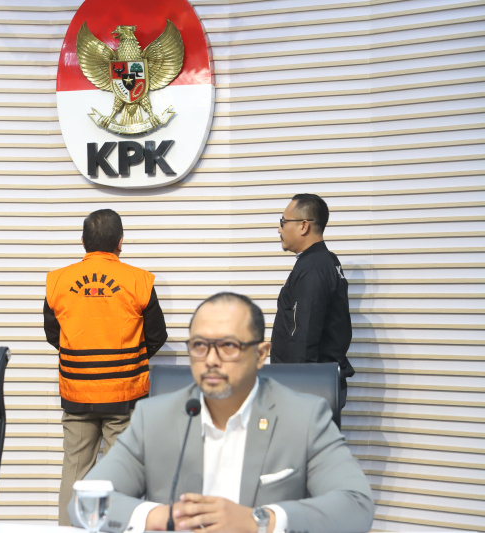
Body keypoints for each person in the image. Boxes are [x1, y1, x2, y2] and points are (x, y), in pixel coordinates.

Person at [72, 292, 373, 533]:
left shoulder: (305, 417)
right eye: (199, 345)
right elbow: (83, 502)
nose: (211, 360)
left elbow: (355, 506)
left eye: (228, 345)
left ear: (260, 354)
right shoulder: (153, 418)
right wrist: (162, 517)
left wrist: (258, 521)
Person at [44, 208, 168, 526]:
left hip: (76, 392)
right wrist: (128, 360)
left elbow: (53, 335)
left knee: (75, 470)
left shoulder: (57, 281)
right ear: (120, 242)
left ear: (83, 241)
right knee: (120, 474)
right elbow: (157, 336)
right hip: (124, 395)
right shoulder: (139, 281)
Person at [271, 193, 353, 407]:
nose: (279, 229)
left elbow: (305, 334)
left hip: (309, 389)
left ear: (303, 226)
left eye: (283, 222)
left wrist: (298, 389)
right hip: (317, 383)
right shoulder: (323, 261)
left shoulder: (313, 268)